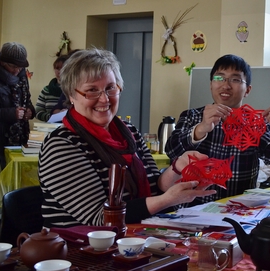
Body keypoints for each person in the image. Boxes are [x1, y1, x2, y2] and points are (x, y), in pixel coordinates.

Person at [38, 48, 216, 228]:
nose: (104, 99)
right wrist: (167, 200)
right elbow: (100, 218)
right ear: (71, 95)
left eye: (110, 88)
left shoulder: (129, 131)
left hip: (133, 237)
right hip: (79, 243)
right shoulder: (61, 145)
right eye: (91, 90)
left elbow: (154, 187)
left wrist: (177, 168)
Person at [165, 54, 270, 203]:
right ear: (211, 85)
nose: (226, 85)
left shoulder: (255, 122)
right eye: (219, 78)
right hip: (192, 208)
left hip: (238, 208)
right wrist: (200, 129)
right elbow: (171, 151)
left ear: (247, 90)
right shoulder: (192, 116)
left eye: (235, 79)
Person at [0, 42, 36, 169]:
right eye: (13, 66)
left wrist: (30, 111)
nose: (17, 70)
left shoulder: (22, 78)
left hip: (21, 138)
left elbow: (27, 100)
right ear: (2, 62)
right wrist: (12, 113)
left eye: (20, 67)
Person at [34, 54, 69, 122]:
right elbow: (37, 112)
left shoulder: (72, 90)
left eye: (63, 68)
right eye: (57, 68)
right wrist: (54, 117)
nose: (59, 72)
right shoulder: (46, 90)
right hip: (50, 126)